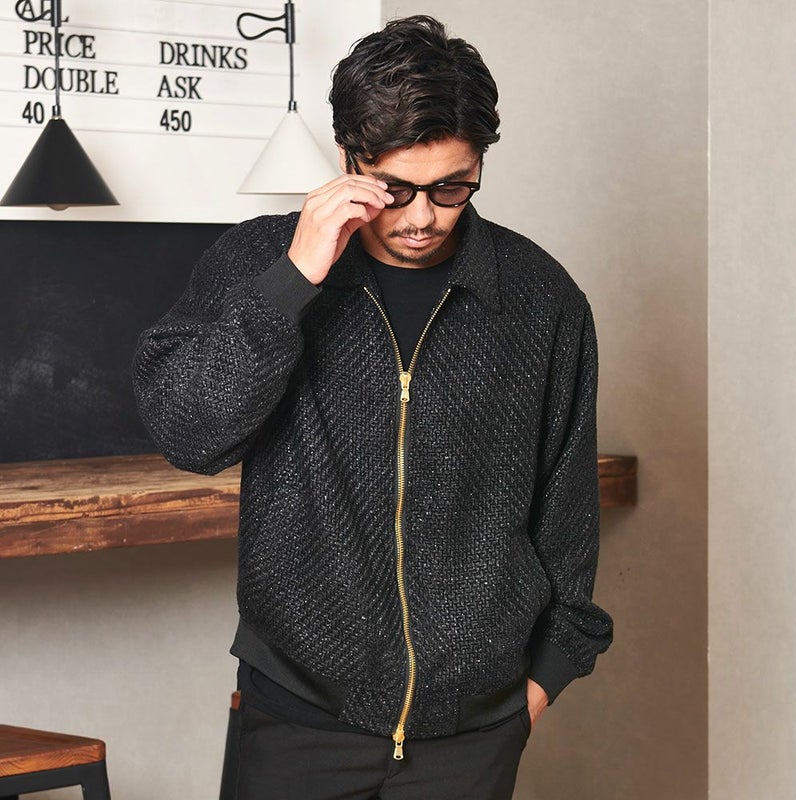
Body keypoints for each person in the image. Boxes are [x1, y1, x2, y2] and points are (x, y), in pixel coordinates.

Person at [132, 14, 613, 800]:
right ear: (348, 158)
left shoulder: (541, 300)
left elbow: (566, 514)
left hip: (473, 734)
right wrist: (294, 280)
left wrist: (539, 687)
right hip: (297, 722)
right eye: (394, 188)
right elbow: (189, 432)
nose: (422, 217)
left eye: (451, 187)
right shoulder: (259, 260)